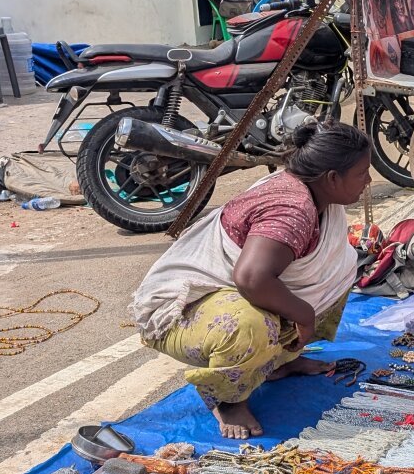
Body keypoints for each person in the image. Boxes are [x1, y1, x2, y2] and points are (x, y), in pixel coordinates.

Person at [130, 122, 373, 439]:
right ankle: (228, 400)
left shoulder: (312, 194)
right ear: (332, 178)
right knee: (250, 326)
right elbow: (250, 278)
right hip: (181, 312)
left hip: (232, 291)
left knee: (337, 263)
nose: (368, 181)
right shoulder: (292, 209)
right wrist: (304, 315)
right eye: (362, 173)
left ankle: (273, 365)